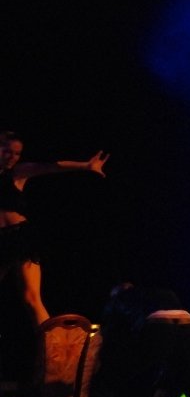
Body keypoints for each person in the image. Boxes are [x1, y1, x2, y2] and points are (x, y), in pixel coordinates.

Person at [0, 132, 109, 326]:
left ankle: (53, 342)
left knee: (32, 297)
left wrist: (85, 166)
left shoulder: (17, 173)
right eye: (7, 151)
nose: (12, 157)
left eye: (17, 153)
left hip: (19, 237)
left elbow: (50, 167)